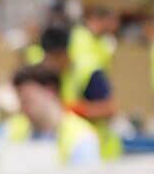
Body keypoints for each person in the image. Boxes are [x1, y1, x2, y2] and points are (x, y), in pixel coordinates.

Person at [38, 25, 120, 159]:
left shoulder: (88, 71)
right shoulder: (53, 74)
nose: (48, 64)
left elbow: (109, 109)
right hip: (74, 150)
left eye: (52, 58)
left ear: (62, 53)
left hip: (101, 151)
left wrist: (72, 110)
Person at [4, 64, 100, 167]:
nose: (23, 109)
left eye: (27, 101)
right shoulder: (14, 128)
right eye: (20, 102)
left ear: (50, 92)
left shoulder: (81, 136)